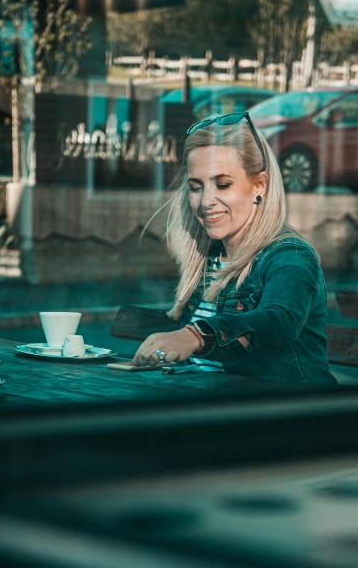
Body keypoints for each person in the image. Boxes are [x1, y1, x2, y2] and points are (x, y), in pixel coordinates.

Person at [133, 111, 337, 388]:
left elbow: (278, 319)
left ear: (260, 186)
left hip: (290, 418)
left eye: (223, 184)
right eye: (196, 187)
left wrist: (196, 336)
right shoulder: (209, 259)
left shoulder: (290, 256)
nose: (206, 201)